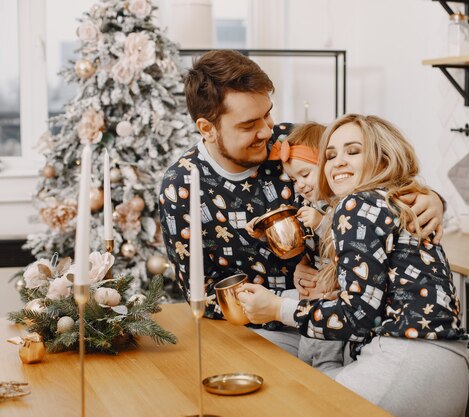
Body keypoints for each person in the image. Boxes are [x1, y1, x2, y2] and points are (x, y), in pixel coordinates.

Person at [158, 49, 445, 357]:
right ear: (207, 129)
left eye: (268, 113)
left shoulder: (293, 141)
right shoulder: (181, 187)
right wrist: (285, 299)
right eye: (248, 124)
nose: (266, 131)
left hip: (348, 325)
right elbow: (201, 294)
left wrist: (430, 198)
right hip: (259, 336)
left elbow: (371, 175)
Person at [238, 114, 469, 417]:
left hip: (408, 363)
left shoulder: (357, 204)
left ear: (382, 156)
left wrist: (275, 308)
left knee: (293, 400)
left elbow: (356, 316)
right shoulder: (393, 201)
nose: (337, 162)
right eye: (330, 155)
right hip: (445, 368)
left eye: (353, 151)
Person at [246, 122, 345, 374]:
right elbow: (306, 247)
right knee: (306, 349)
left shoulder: (342, 208)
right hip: (313, 299)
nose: (299, 185)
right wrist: (264, 233)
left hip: (332, 301)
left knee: (325, 355)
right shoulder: (315, 204)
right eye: (293, 179)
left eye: (305, 174)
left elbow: (344, 245)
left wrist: (322, 223)